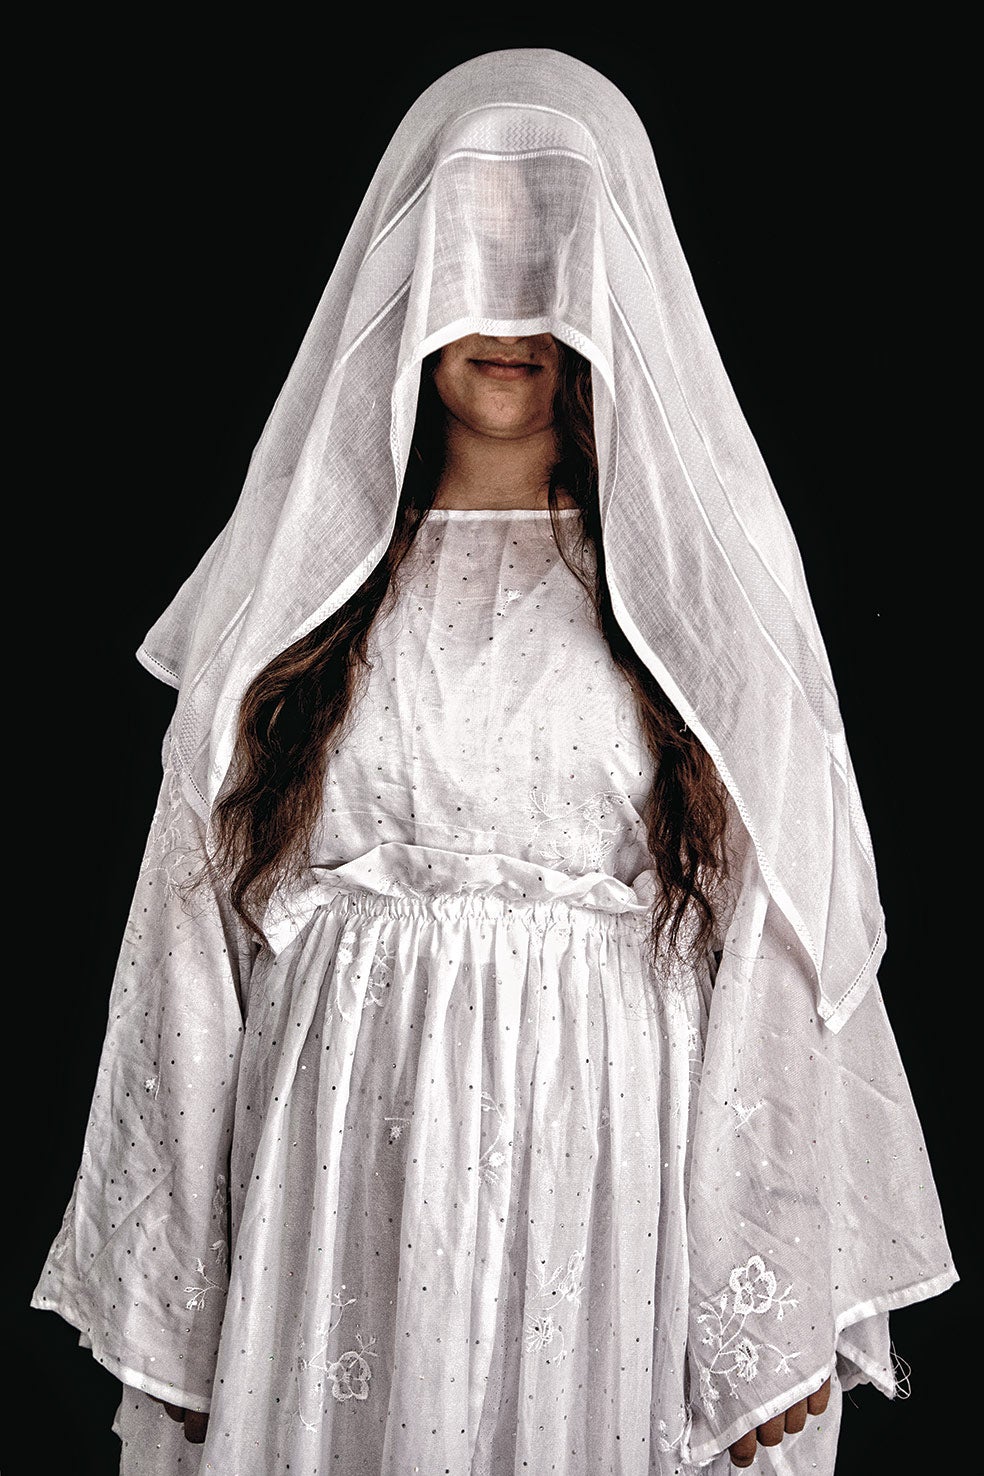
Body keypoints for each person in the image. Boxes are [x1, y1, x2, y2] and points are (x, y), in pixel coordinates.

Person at [32, 49, 956, 1475]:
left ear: (612, 274)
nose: (515, 298)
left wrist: (759, 1281)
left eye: (553, 238)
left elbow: (786, 940)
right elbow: (186, 934)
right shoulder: (295, 588)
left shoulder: (703, 596)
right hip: (341, 1168)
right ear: (411, 261)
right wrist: (178, 1299)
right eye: (482, 232)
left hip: (607, 1168)